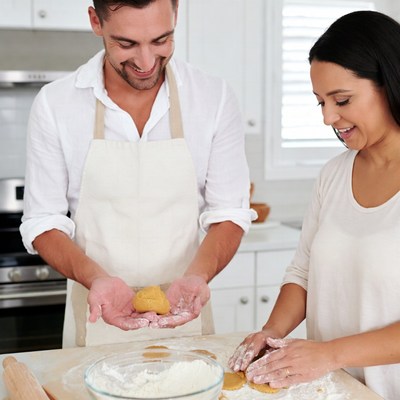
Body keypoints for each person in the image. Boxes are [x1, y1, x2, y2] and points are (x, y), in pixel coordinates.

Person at [20, 0, 256, 348]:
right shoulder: (56, 104)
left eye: (161, 40)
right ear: (95, 22)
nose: (146, 63)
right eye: (126, 44)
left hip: (185, 314)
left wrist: (197, 276)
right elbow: (43, 221)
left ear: (176, 15)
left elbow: (229, 215)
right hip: (97, 315)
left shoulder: (213, 98)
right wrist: (95, 278)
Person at [228, 10, 400, 400]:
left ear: (389, 83)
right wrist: (271, 333)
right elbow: (303, 273)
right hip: (332, 389)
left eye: (341, 100)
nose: (328, 118)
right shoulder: (333, 175)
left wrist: (328, 354)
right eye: (320, 102)